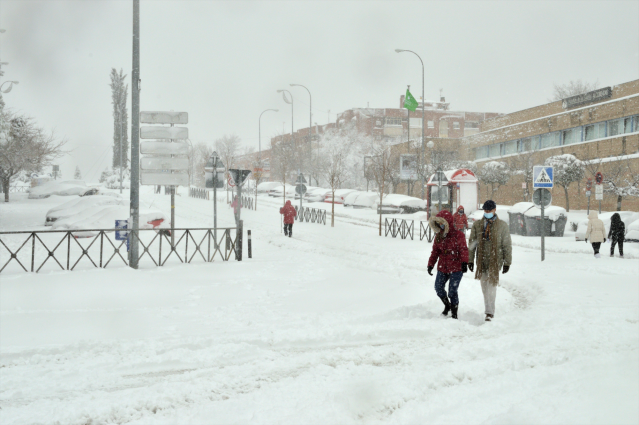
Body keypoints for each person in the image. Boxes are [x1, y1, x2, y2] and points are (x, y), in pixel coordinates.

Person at [468, 200, 512, 322]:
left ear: (494, 210)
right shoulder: (478, 225)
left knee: (491, 287)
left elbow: (507, 245)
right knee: (484, 287)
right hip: (481, 260)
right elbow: (472, 243)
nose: (487, 213)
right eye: (485, 211)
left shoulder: (502, 226)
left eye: (489, 210)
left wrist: (507, 262)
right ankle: (488, 309)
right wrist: (470, 260)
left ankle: (489, 313)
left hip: (495, 261)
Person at [427, 210, 469, 319]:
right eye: (439, 223)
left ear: (447, 222)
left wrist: (465, 262)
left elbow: (464, 249)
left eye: (442, 223)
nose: (440, 226)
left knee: (452, 291)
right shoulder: (439, 236)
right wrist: (430, 264)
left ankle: (454, 313)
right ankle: (447, 305)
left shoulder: (459, 235)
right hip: (443, 267)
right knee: (438, 287)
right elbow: (435, 252)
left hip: (456, 267)